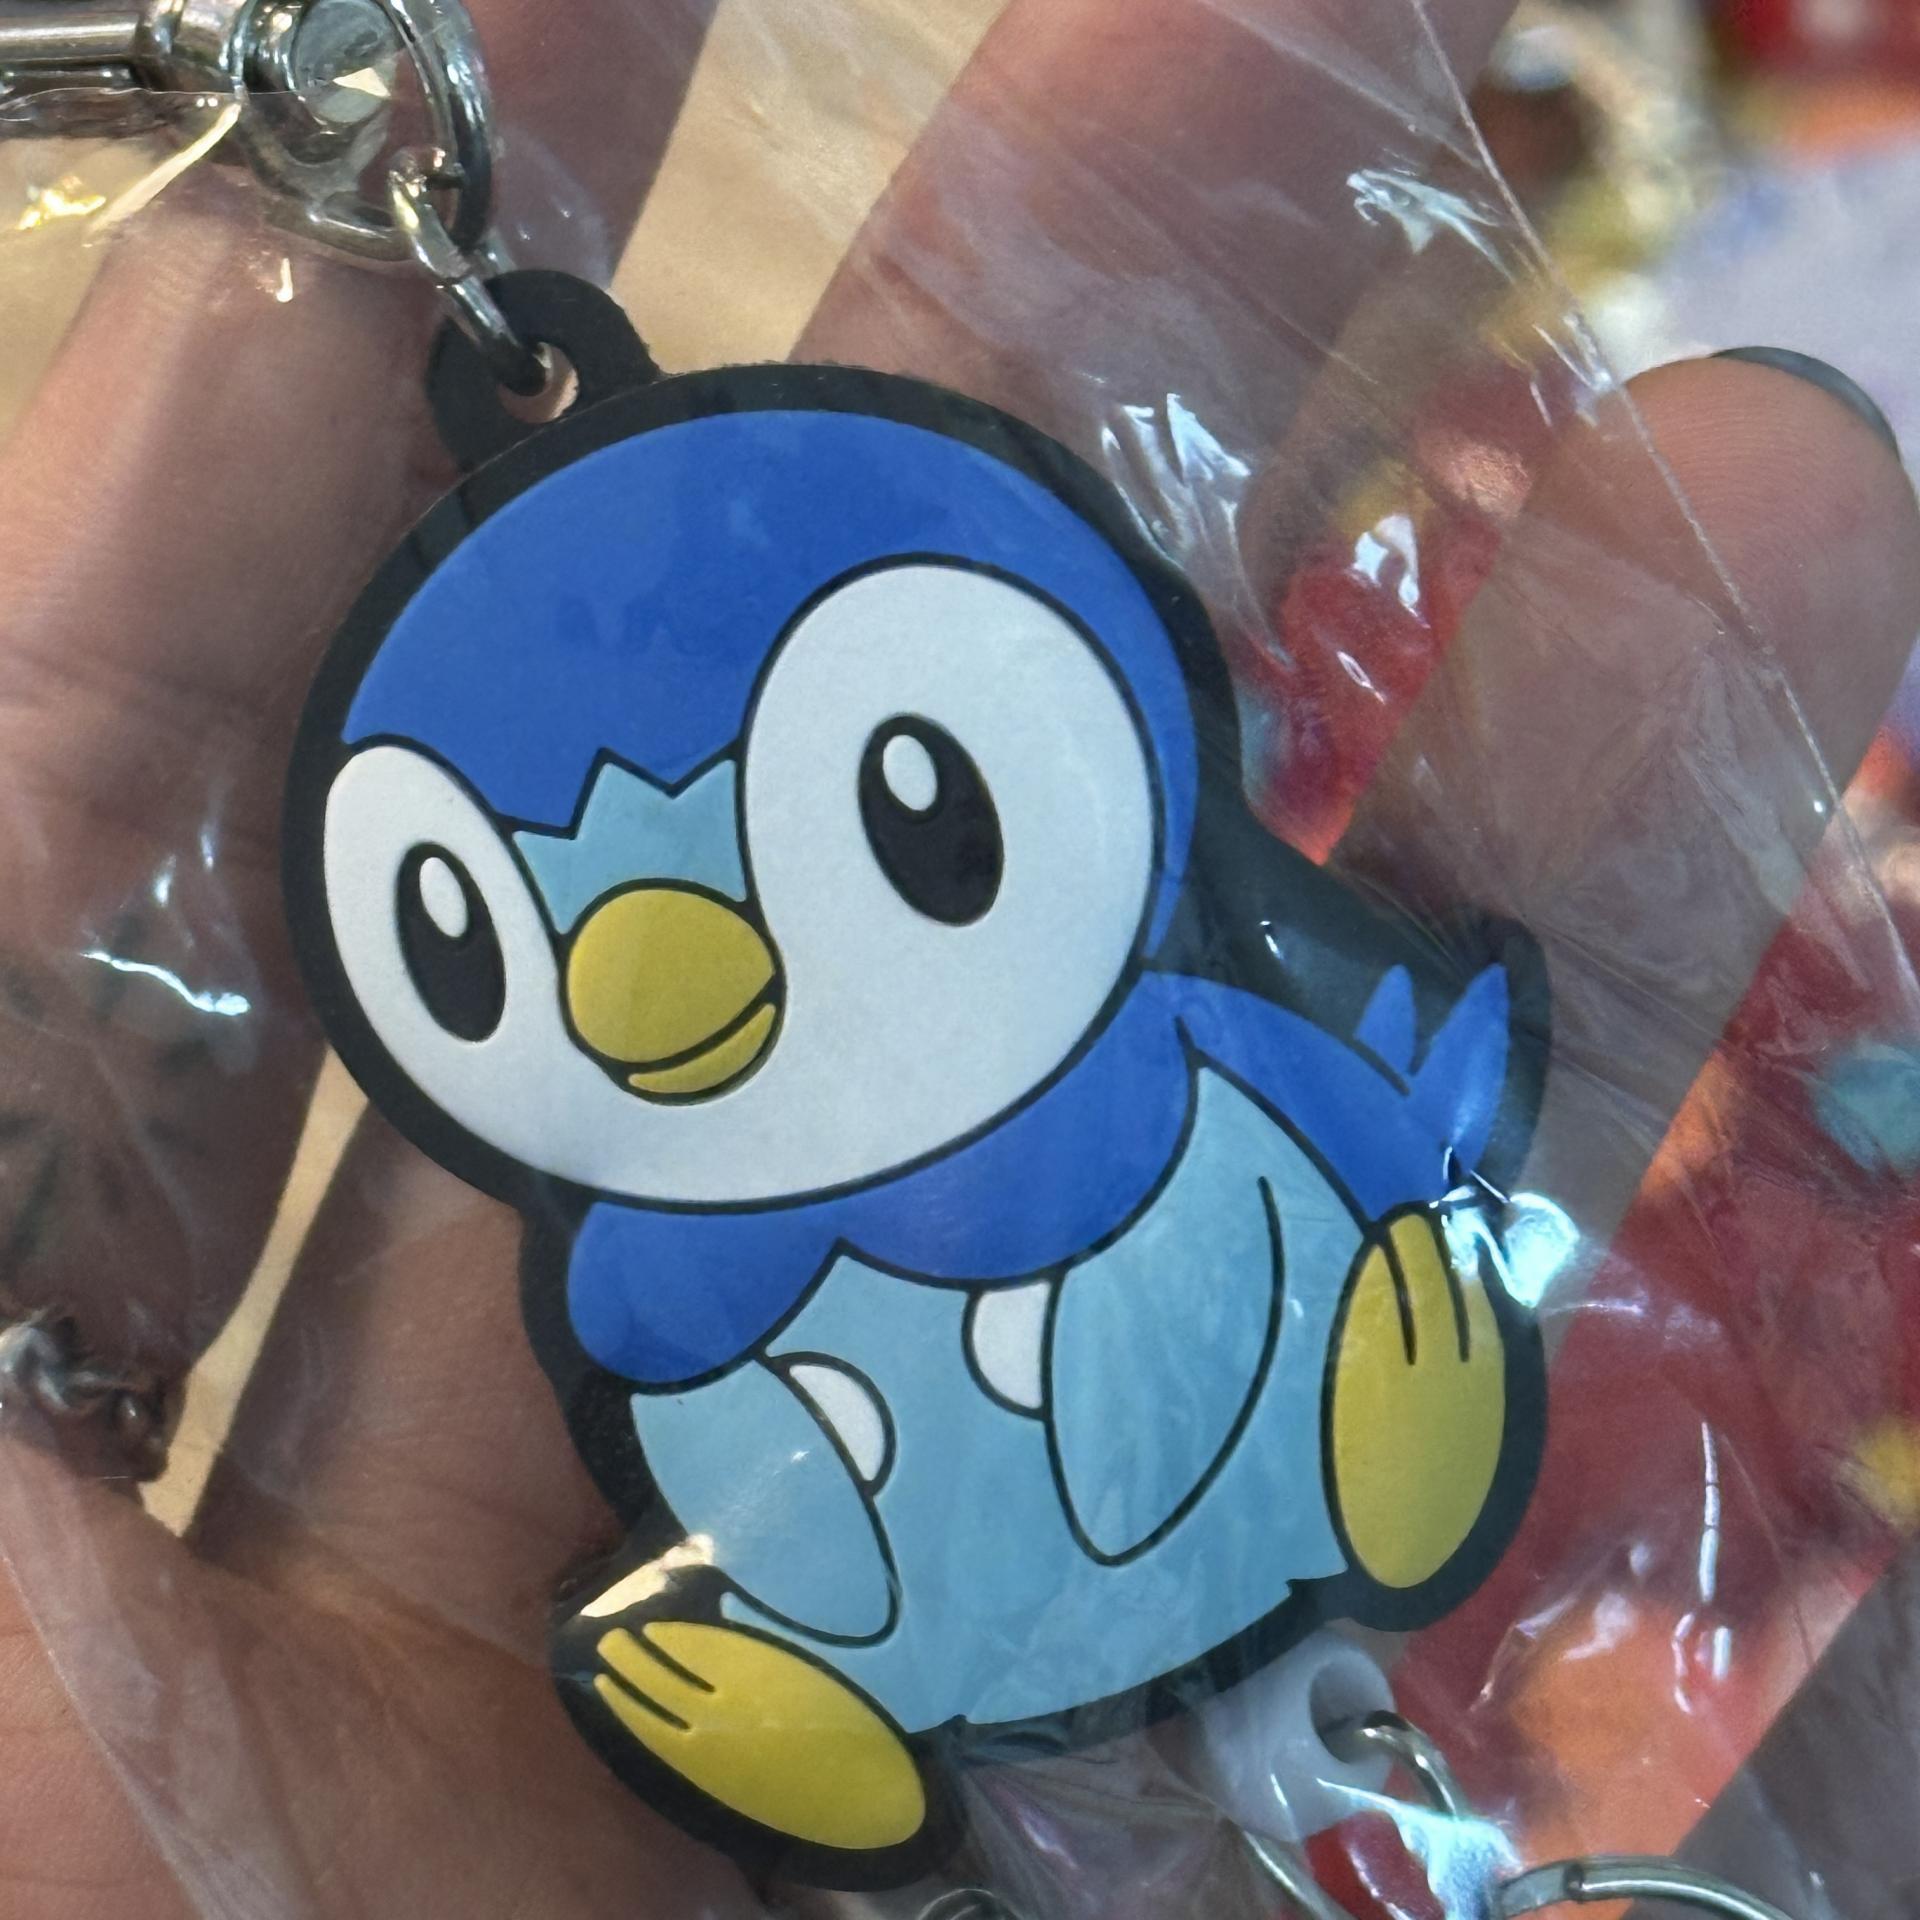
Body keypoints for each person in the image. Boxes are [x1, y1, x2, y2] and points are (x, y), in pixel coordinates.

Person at [0, 1, 1913, 1913]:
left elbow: (1352, 1083)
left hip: (1272, 1397)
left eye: (908, 800)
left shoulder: (1178, 1020)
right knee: (779, 1541)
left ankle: (1376, 1442)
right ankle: (833, 1697)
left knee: (1329, 1285)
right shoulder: (658, 1267)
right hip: (919, 1587)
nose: (661, 972)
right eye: (479, 937)